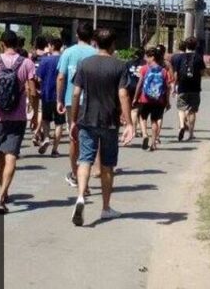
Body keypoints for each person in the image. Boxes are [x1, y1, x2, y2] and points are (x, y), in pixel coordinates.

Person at [70, 28, 135, 226]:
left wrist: (73, 119)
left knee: (85, 160)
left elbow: (75, 93)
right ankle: (105, 208)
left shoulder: (85, 64)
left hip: (87, 119)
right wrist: (129, 122)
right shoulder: (120, 66)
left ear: (95, 43)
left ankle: (81, 195)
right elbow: (123, 94)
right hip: (110, 121)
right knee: (107, 165)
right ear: (113, 44)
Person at [0, 30, 36, 214]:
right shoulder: (26, 63)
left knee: (0, 156)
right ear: (17, 44)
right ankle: (2, 194)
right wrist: (34, 112)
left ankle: (3, 190)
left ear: (2, 44)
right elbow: (33, 91)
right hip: (18, 117)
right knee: (11, 155)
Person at [56, 22, 97, 187]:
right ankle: (85, 176)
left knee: (74, 138)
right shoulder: (96, 53)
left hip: (71, 101)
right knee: (90, 139)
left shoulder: (68, 52)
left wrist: (59, 99)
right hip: (92, 101)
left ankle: (75, 174)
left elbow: (61, 77)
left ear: (77, 36)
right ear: (92, 36)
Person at [133, 46, 172, 152]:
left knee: (142, 117)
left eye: (147, 56)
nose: (145, 58)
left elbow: (139, 84)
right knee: (154, 121)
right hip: (159, 100)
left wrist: (135, 97)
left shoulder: (144, 69)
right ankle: (153, 143)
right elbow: (167, 88)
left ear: (152, 57)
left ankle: (145, 134)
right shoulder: (163, 71)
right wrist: (167, 101)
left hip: (145, 99)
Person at [170, 37, 206, 141]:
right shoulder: (199, 57)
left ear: (186, 46)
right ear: (196, 46)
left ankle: (181, 125)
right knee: (192, 111)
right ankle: (191, 134)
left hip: (182, 87)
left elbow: (176, 73)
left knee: (181, 108)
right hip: (195, 88)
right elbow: (202, 72)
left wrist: (174, 86)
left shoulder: (180, 57)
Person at [35, 37, 64, 155]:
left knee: (46, 120)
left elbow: (38, 77)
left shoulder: (45, 60)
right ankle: (55, 149)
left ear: (51, 46)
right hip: (60, 96)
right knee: (59, 123)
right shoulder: (63, 59)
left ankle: (46, 137)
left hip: (46, 94)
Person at [124, 48, 146, 138]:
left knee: (133, 109)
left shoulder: (128, 63)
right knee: (137, 111)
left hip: (130, 87)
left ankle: (135, 130)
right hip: (141, 88)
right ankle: (135, 130)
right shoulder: (145, 63)